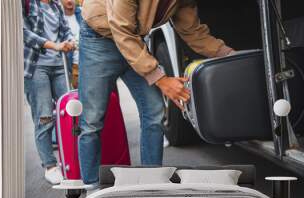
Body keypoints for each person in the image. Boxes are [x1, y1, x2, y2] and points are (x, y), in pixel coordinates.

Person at [78, 0, 234, 185]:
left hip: (134, 44)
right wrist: (161, 79)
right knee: (91, 120)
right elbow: (122, 30)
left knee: (154, 112)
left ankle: (151, 182)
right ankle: (91, 187)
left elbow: (192, 31)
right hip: (98, 41)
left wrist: (229, 54)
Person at [23, 0, 75, 184]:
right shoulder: (27, 3)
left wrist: (70, 41)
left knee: (70, 113)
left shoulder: (55, 5)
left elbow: (65, 29)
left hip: (59, 66)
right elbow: (23, 33)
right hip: (37, 68)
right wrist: (54, 46)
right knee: (44, 118)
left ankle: (72, 159)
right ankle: (50, 166)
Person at [61, 0, 82, 88]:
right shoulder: (58, 17)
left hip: (90, 61)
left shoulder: (82, 13)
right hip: (74, 66)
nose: (69, 0)